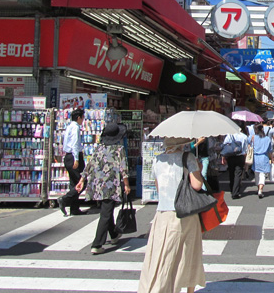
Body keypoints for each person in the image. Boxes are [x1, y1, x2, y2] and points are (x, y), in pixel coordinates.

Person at [138, 138, 206, 293]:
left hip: (162, 213)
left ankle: (157, 286)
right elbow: (197, 185)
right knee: (189, 253)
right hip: (185, 213)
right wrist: (198, 170)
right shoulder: (187, 157)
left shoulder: (157, 159)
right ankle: (188, 289)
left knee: (161, 256)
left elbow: (158, 187)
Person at [75, 122, 130, 254]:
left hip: (98, 185)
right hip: (111, 185)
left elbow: (90, 164)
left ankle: (114, 235)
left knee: (107, 209)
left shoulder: (99, 148)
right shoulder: (119, 149)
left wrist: (82, 180)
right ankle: (97, 244)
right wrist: (127, 184)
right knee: (105, 214)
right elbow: (123, 167)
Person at [58, 108, 87, 216]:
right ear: (79, 117)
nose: (83, 120)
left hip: (68, 156)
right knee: (82, 182)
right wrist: (76, 159)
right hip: (74, 156)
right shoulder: (75, 128)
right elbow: (75, 143)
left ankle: (74, 208)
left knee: (73, 183)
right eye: (82, 118)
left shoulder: (69, 127)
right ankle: (64, 199)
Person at [223, 124, 249, 199]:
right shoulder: (244, 136)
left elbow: (225, 146)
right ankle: (235, 192)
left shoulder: (229, 135)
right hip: (240, 156)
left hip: (230, 156)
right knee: (238, 174)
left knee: (231, 173)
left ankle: (232, 189)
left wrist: (223, 157)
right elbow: (245, 149)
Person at [251, 124, 274, 199]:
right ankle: (260, 189)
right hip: (264, 157)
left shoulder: (253, 138)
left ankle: (258, 188)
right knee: (262, 174)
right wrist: (272, 159)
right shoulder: (267, 138)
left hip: (255, 157)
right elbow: (270, 150)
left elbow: (249, 145)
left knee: (256, 173)